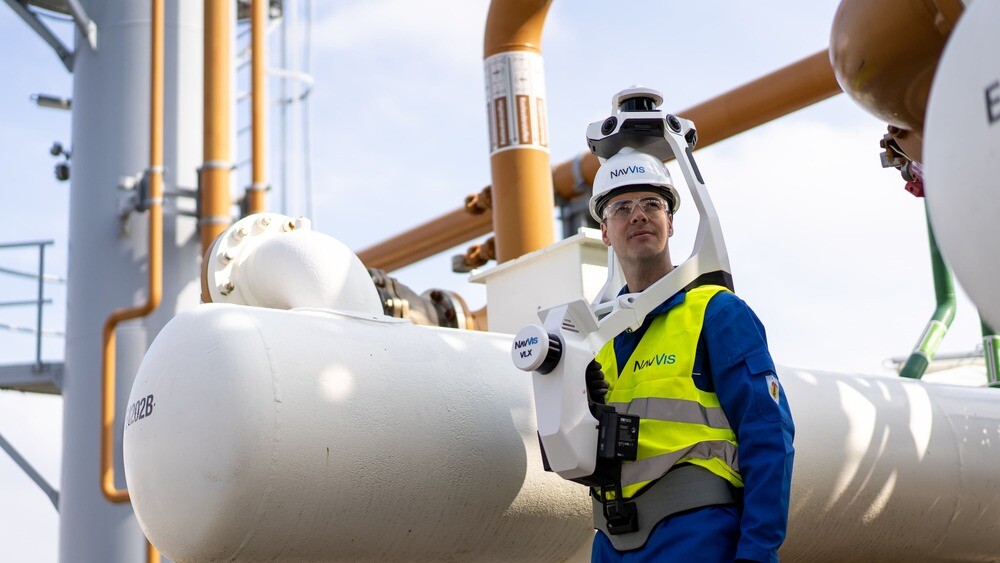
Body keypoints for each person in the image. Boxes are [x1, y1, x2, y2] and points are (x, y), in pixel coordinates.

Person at [585, 147, 795, 562]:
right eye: (622, 207)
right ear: (605, 232)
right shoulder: (598, 341)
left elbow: (768, 435)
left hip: (697, 535)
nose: (639, 215)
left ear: (671, 222)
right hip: (611, 544)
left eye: (652, 204)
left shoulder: (715, 312)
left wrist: (756, 553)